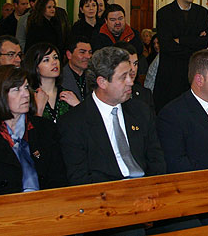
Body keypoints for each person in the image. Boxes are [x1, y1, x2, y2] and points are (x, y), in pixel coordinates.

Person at [58, 46, 165, 183]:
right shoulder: (74, 122)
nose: (131, 82)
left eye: (130, 75)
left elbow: (157, 161)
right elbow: (79, 177)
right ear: (102, 82)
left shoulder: (141, 111)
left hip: (147, 192)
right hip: (105, 195)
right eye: (123, 77)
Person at [0, 65, 66, 198]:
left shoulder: (44, 128)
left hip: (46, 206)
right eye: (16, 89)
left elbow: (59, 179)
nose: (25, 94)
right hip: (2, 210)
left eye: (26, 87)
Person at [153, 0, 208, 112]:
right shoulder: (164, 13)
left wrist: (181, 40)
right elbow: (167, 46)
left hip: (193, 73)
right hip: (170, 74)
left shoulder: (201, 13)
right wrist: (194, 42)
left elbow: (205, 42)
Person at [22, 42, 79, 123]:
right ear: (35, 67)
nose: (54, 62)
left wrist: (78, 106)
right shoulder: (28, 96)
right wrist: (38, 112)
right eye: (46, 60)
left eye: (55, 58)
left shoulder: (68, 94)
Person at [115, 41, 154, 108]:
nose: (133, 69)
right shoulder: (108, 94)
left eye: (135, 64)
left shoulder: (145, 94)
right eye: (129, 63)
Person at [61, 35, 93, 101]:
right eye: (82, 52)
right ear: (69, 55)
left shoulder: (94, 76)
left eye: (90, 52)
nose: (88, 56)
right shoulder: (60, 78)